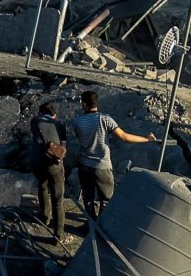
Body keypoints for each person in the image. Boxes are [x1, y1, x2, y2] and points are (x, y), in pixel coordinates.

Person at [73, 90, 154, 219]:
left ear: (84, 104)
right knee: (106, 199)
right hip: (102, 166)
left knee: (88, 197)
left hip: (84, 164)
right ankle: (103, 226)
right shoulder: (105, 119)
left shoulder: (77, 122)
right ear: (96, 103)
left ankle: (90, 224)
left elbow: (79, 137)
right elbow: (124, 137)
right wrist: (146, 139)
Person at [30, 103, 69, 241]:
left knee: (42, 186)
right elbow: (63, 148)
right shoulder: (61, 124)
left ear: (41, 113)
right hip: (55, 165)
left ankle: (45, 216)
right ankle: (59, 234)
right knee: (58, 199)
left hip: (37, 163)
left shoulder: (35, 121)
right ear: (54, 114)